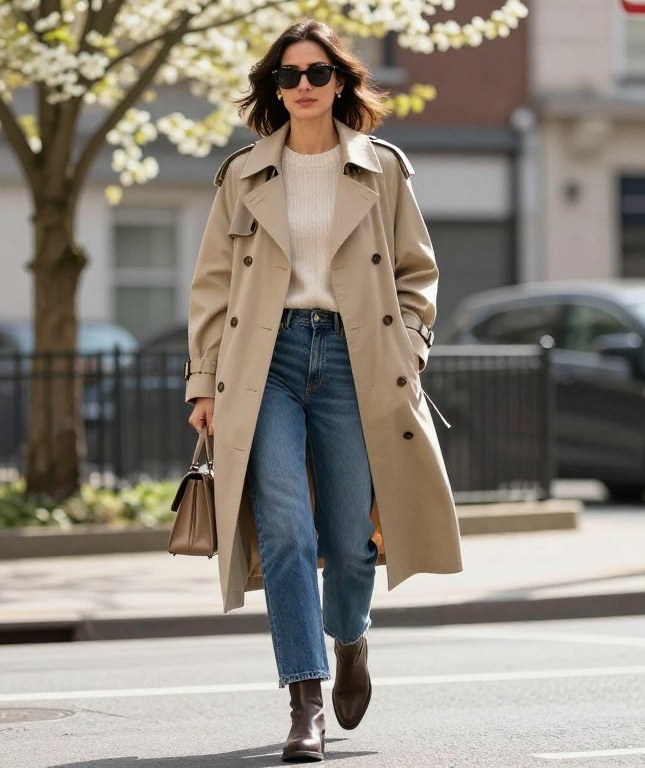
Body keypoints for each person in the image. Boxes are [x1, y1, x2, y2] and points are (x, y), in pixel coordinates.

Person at [185, 19, 463, 762]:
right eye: (288, 75)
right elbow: (212, 288)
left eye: (316, 73)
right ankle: (303, 700)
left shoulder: (382, 168)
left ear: (340, 81)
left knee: (347, 544)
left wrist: (407, 345)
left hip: (354, 359)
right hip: (263, 363)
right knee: (285, 531)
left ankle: (351, 640)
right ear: (273, 89)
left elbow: (417, 274)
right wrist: (204, 382)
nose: (302, 86)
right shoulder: (242, 174)